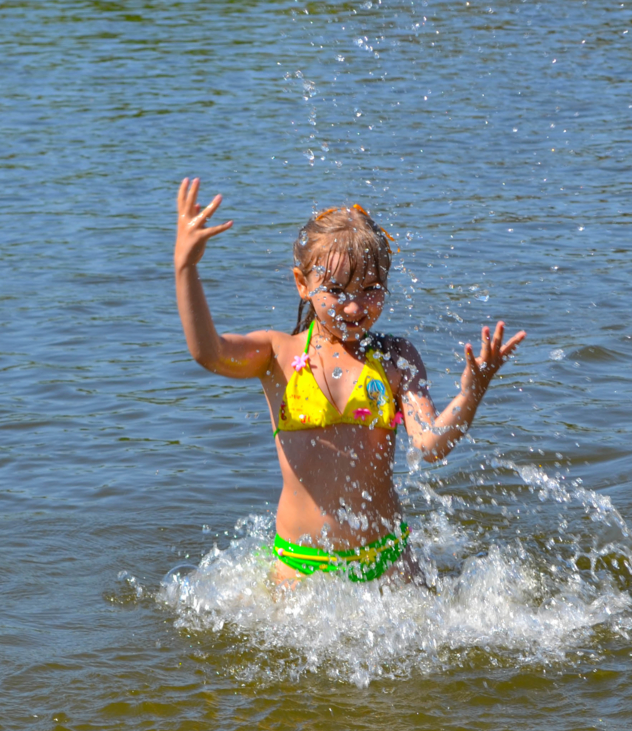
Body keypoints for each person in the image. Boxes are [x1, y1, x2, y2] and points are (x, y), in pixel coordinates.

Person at [173, 178, 526, 584]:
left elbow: (430, 444)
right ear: (302, 284)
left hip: (388, 562)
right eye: (337, 291)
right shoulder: (277, 355)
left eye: (372, 289)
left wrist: (471, 392)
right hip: (298, 567)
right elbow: (209, 353)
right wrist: (186, 268)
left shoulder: (395, 358)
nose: (355, 306)